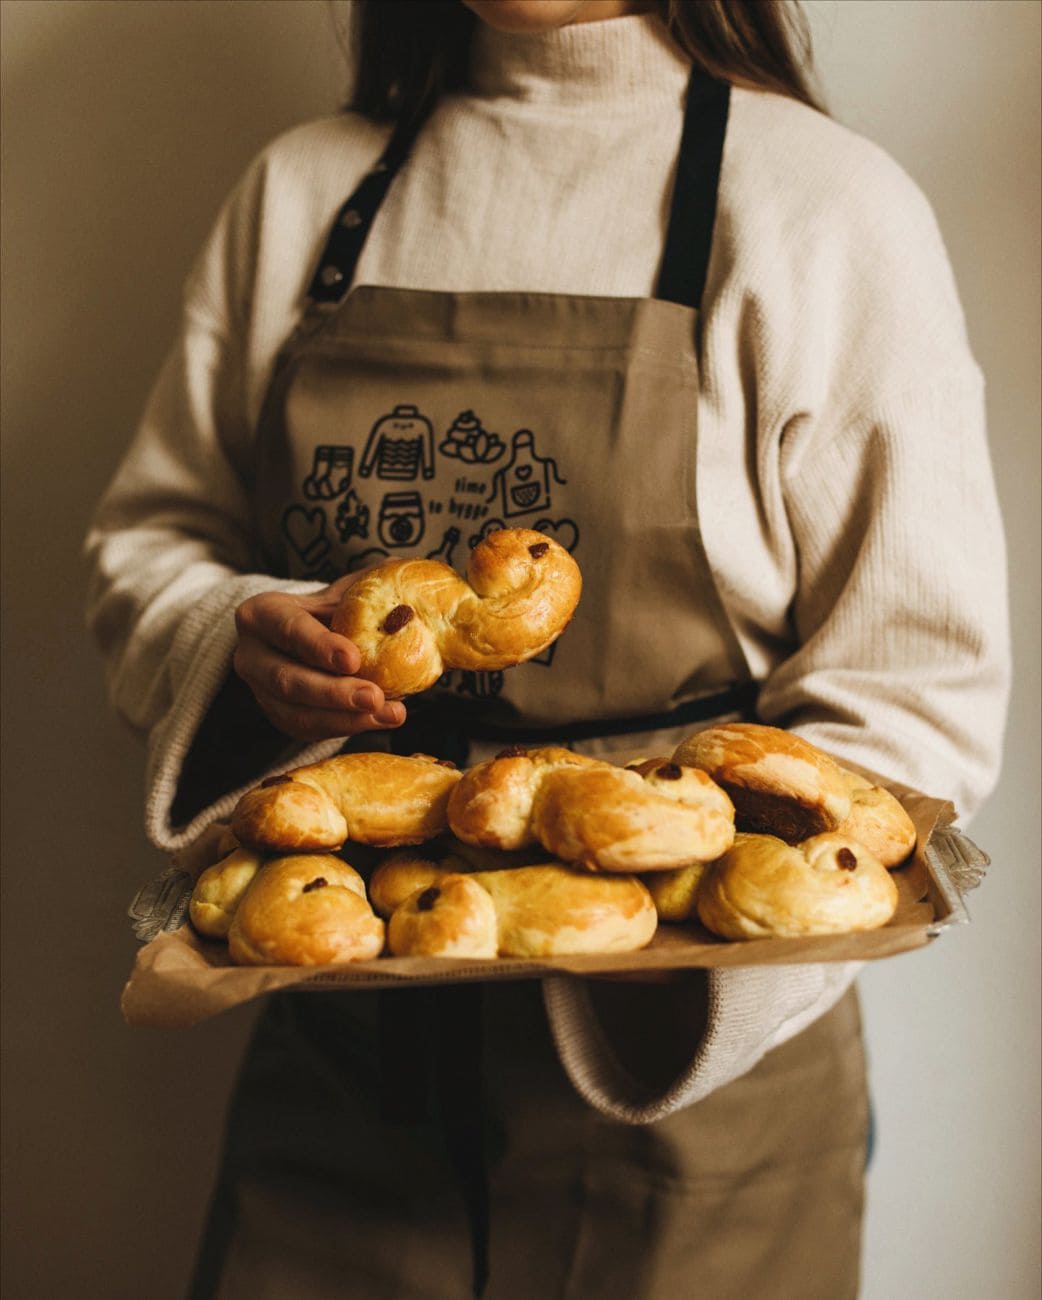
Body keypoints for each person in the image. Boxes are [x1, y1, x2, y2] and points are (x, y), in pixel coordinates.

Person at [85, 1, 1010, 1296]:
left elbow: (919, 690)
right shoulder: (304, 193)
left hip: (692, 1086)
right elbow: (155, 536)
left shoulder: (822, 206)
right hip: (343, 1043)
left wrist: (668, 938)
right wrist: (225, 642)